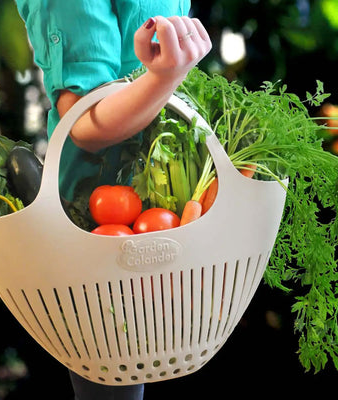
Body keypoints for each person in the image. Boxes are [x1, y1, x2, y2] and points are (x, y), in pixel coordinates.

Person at [14, 1, 212, 399]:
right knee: (112, 378)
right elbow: (86, 122)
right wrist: (164, 77)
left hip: (165, 209)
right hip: (99, 218)